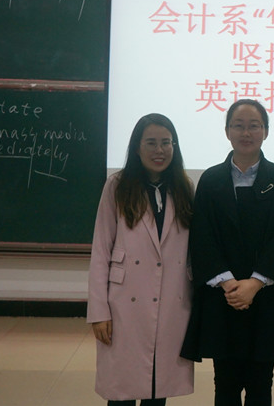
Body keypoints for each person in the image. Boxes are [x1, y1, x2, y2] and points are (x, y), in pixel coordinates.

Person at [180, 99, 274, 406]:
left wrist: (254, 283)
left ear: (266, 131)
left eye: (254, 126)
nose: (246, 132)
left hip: (266, 298)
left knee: (261, 383)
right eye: (238, 125)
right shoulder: (211, 180)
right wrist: (228, 283)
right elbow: (203, 238)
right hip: (222, 298)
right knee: (224, 383)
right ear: (227, 131)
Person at [87, 113, 194, 406]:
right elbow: (101, 251)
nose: (160, 150)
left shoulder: (184, 187)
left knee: (158, 389)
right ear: (137, 147)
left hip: (171, 301)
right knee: (122, 389)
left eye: (166, 143)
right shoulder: (117, 186)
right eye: (151, 143)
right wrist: (99, 311)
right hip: (124, 304)